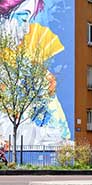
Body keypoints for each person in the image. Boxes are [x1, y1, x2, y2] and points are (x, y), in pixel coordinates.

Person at [0, 0, 71, 145]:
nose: (27, 29)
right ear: (4, 17)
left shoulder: (33, 72)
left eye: (30, 20)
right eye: (24, 18)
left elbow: (60, 130)